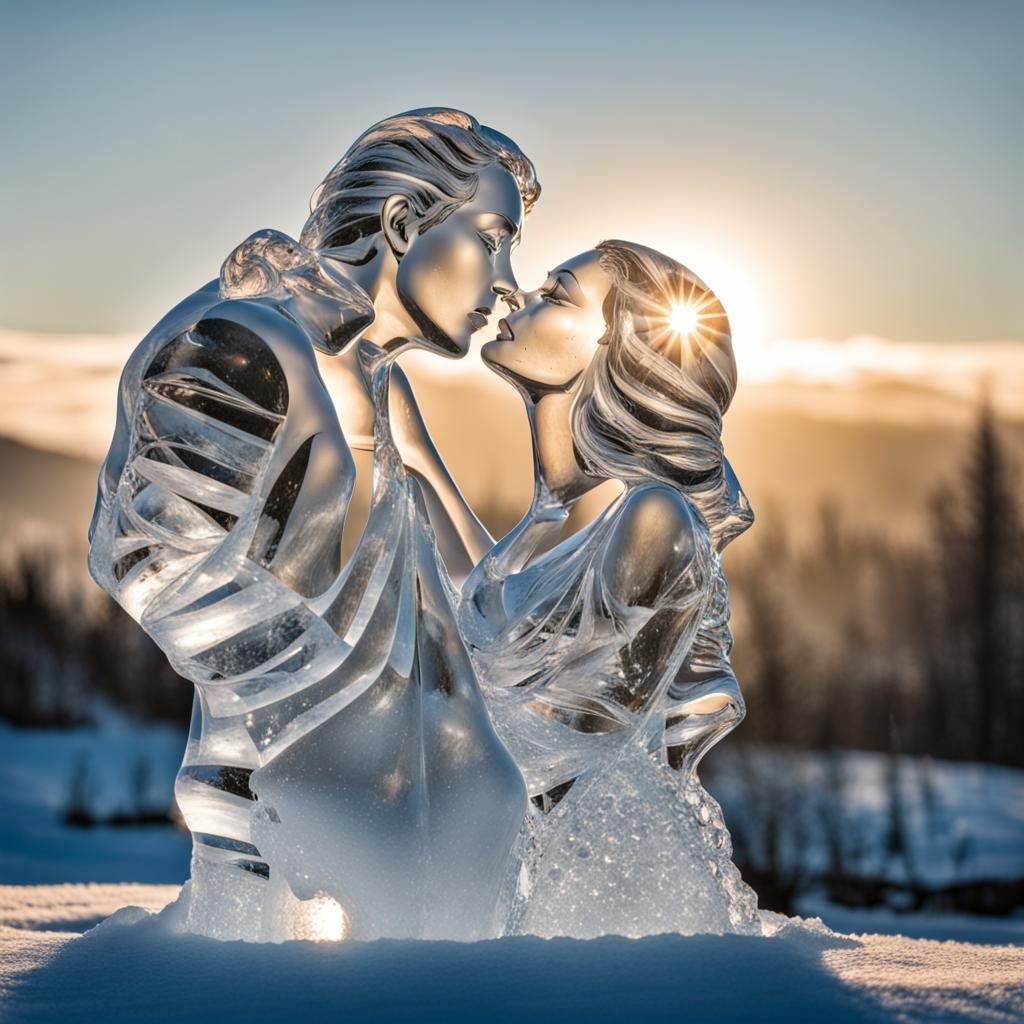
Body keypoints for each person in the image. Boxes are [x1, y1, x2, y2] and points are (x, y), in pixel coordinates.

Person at [88, 109, 538, 941]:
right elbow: (147, 555)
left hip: (399, 830)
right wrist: (326, 709)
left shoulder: (380, 387)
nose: (509, 282)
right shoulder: (242, 341)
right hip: (281, 823)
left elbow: (482, 594)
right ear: (401, 223)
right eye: (492, 240)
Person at [459, 240, 759, 936]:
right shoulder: (560, 531)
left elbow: (571, 738)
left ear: (616, 346)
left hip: (595, 889)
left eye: (555, 294)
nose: (516, 298)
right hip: (529, 864)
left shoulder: (657, 521)